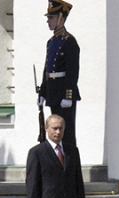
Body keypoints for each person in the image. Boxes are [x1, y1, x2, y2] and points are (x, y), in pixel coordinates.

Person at [39, 0, 80, 148]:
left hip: (63, 92)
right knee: (54, 135)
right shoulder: (51, 42)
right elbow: (47, 70)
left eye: (51, 18)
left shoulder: (69, 41)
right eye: (48, 18)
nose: (48, 21)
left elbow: (72, 71)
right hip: (53, 92)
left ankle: (71, 169)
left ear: (61, 18)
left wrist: (68, 95)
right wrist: (43, 92)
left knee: (67, 135)